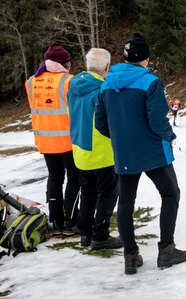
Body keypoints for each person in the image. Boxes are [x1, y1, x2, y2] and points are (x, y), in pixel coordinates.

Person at [95, 33, 186, 275]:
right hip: (153, 152)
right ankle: (166, 250)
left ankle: (130, 256)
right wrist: (170, 135)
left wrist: (121, 138)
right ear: (146, 59)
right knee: (170, 193)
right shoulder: (150, 82)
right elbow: (157, 121)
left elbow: (100, 123)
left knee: (126, 202)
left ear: (125, 58)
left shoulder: (106, 83)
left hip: (125, 152)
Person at [67, 48, 122, 250]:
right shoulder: (103, 90)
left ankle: (86, 234)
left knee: (87, 192)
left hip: (80, 149)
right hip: (102, 152)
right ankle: (100, 236)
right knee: (107, 194)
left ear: (86, 64)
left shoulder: (73, 87)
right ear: (107, 67)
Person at [24, 42, 79, 233]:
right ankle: (71, 221)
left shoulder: (31, 82)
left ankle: (56, 221)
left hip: (45, 140)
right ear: (65, 63)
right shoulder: (69, 81)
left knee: (55, 177)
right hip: (68, 140)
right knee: (74, 179)